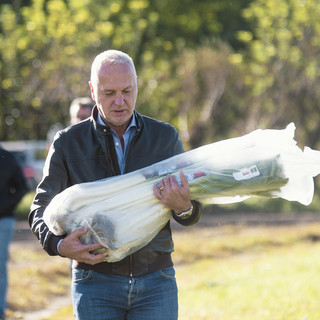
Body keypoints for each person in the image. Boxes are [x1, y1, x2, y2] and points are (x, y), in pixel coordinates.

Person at [29, 49, 203, 320]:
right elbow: (40, 207)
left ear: (137, 85)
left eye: (127, 90)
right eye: (109, 93)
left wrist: (183, 208)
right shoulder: (67, 143)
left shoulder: (165, 137)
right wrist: (58, 245)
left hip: (156, 281)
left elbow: (193, 212)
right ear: (92, 89)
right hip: (94, 281)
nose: (120, 101)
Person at [0, 146, 28, 320]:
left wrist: (4, 207)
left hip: (3, 221)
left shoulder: (8, 158)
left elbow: (22, 187)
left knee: (0, 266)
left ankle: (0, 310)